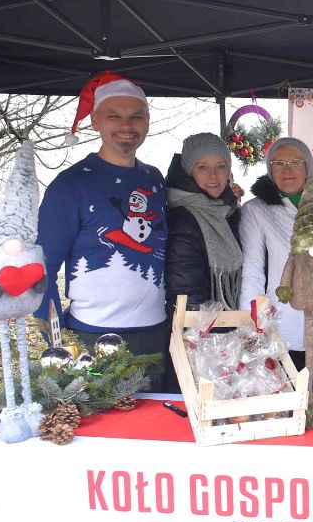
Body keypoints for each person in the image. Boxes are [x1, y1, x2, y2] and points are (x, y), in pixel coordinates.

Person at [36, 71, 168, 369]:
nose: (126, 125)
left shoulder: (155, 179)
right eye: (114, 116)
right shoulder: (70, 185)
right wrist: (58, 345)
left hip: (156, 334)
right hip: (91, 337)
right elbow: (42, 270)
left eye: (136, 116)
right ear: (95, 121)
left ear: (147, 121)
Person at [240, 137, 313, 390]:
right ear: (270, 170)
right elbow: (253, 270)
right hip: (277, 324)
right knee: (279, 401)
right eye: (279, 163)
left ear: (308, 168)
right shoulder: (256, 210)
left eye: (295, 162)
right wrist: (252, 324)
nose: (287, 169)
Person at [164, 133, 242, 310]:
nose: (213, 176)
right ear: (189, 171)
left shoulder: (231, 211)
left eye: (220, 167)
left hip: (233, 319)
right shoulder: (182, 218)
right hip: (201, 323)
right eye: (202, 167)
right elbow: (187, 293)